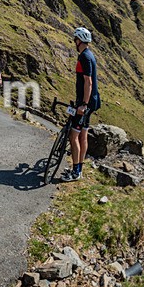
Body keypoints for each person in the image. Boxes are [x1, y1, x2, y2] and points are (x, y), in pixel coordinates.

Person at [61, 27, 100, 182]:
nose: (74, 42)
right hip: (92, 102)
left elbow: (88, 82)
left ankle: (76, 172)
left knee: (73, 136)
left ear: (78, 40)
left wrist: (83, 104)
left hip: (86, 103)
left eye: (75, 40)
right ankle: (79, 168)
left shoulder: (84, 57)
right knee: (83, 135)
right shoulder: (89, 55)